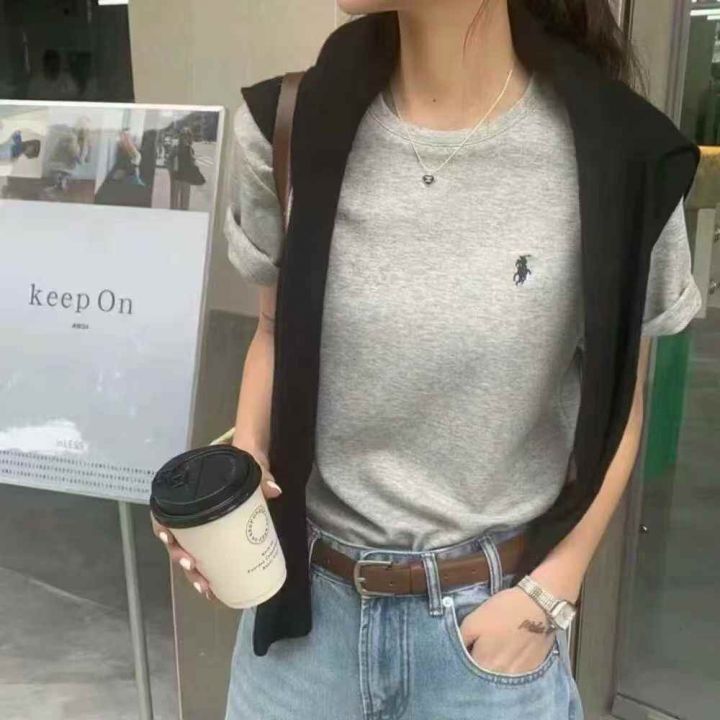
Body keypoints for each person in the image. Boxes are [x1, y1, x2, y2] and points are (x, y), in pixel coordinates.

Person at [152, 2, 702, 719]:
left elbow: (622, 396)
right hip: (302, 629)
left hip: (489, 635)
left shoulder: (619, 154)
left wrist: (552, 593)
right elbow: (273, 331)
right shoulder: (290, 124)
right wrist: (238, 477)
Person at [167, 127, 203, 210]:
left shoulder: (190, 150)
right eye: (184, 136)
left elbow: (192, 163)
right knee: (174, 200)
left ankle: (183, 215)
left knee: (185, 201)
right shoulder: (176, 148)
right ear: (180, 137)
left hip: (186, 177)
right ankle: (173, 214)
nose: (185, 138)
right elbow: (169, 161)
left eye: (187, 136)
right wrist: (171, 172)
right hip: (176, 176)